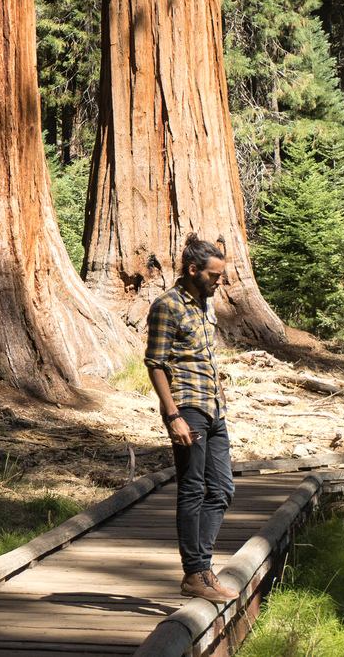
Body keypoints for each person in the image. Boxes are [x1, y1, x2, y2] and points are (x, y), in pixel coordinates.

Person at [143, 234, 239, 603]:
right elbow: (156, 363)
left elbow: (206, 359)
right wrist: (172, 416)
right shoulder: (167, 306)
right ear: (193, 270)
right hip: (187, 408)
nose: (220, 282)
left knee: (223, 489)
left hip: (215, 408)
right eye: (214, 275)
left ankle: (202, 569)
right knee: (193, 488)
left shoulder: (205, 304)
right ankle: (194, 572)